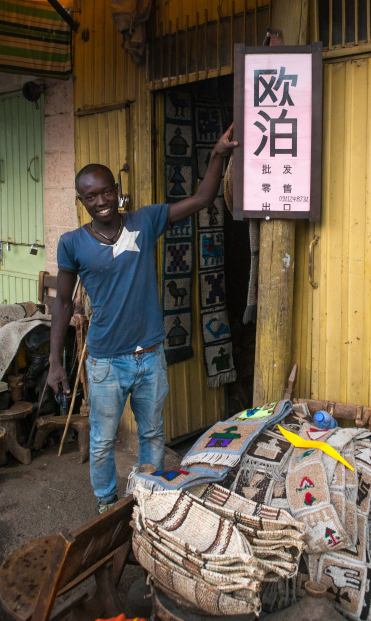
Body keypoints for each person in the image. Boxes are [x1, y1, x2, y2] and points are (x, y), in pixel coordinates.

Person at [47, 124, 238, 512]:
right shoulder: (72, 243)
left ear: (117, 190)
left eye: (106, 191)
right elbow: (64, 304)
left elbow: (202, 198)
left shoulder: (145, 220)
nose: (101, 200)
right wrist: (54, 362)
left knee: (152, 432)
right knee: (102, 442)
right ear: (81, 200)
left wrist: (218, 155)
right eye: (91, 196)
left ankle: (148, 499)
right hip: (104, 362)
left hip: (150, 355)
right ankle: (106, 505)